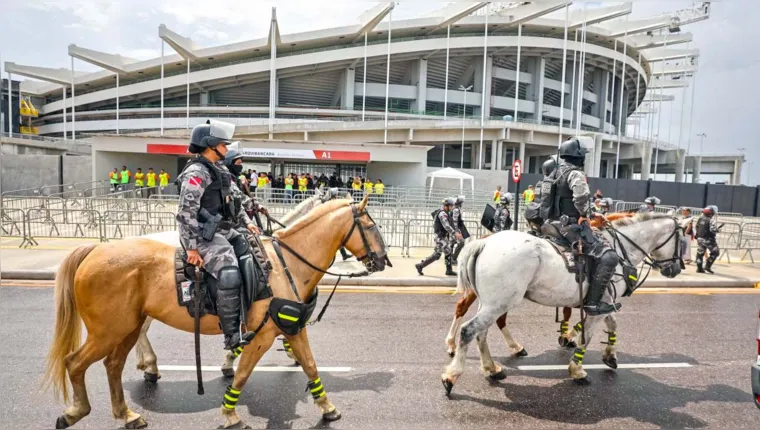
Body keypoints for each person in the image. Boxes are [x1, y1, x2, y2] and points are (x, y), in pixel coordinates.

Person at [177, 120, 260, 351]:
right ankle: (232, 333)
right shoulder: (196, 173)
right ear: (210, 145)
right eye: (223, 145)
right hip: (203, 236)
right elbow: (186, 212)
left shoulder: (219, 170)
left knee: (252, 255)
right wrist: (191, 248)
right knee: (229, 270)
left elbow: (234, 201)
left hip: (223, 230)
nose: (226, 148)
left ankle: (249, 310)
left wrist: (247, 223)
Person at [545, 136, 620, 316]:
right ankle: (593, 303)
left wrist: (592, 213)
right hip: (570, 227)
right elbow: (580, 197)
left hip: (551, 225)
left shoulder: (552, 173)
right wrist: (585, 215)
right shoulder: (575, 174)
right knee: (609, 256)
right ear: (579, 157)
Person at [415, 198, 460, 277]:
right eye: (450, 206)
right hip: (439, 237)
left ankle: (448, 270)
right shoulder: (442, 214)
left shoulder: (446, 213)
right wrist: (455, 233)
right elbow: (446, 226)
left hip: (442, 237)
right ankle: (420, 265)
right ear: (446, 206)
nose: (452, 207)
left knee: (448, 252)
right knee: (437, 255)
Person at [323, 187, 353, 261]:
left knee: (338, 241)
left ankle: (344, 255)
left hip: (333, 224)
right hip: (331, 225)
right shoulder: (332, 202)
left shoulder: (332, 201)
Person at [695, 205, 720, 274]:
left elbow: (696, 227)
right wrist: (718, 230)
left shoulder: (700, 218)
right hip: (709, 239)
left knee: (700, 253)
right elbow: (713, 230)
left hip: (700, 238)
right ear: (711, 213)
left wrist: (697, 235)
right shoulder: (711, 220)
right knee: (715, 252)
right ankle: (707, 266)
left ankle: (699, 268)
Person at [451, 195, 469, 264]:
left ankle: (451, 258)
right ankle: (453, 258)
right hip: (453, 230)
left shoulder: (455, 208)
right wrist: (457, 232)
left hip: (452, 230)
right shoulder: (456, 210)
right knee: (461, 242)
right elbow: (454, 221)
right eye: (461, 202)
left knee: (452, 243)